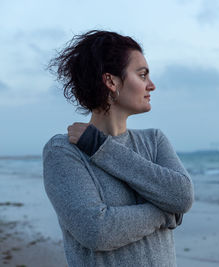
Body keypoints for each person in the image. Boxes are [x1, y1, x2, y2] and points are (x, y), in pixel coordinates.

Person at [43, 30, 194, 267]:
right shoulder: (63, 151)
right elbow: (96, 230)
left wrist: (102, 148)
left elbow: (183, 196)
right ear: (111, 81)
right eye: (142, 75)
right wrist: (166, 212)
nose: (151, 85)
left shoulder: (154, 141)